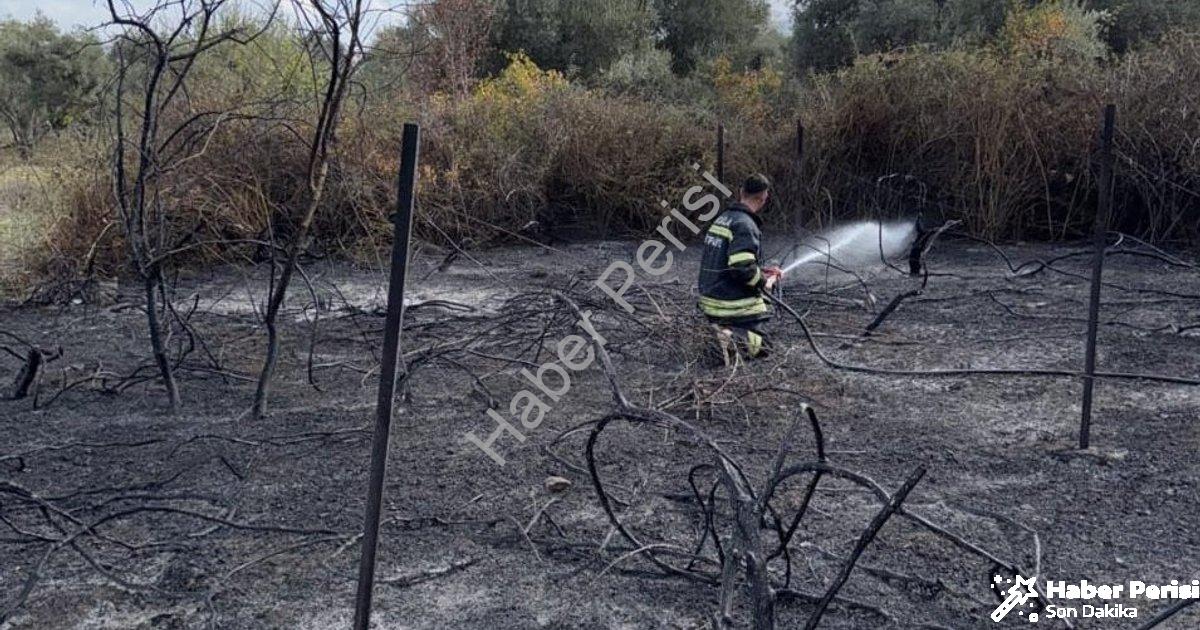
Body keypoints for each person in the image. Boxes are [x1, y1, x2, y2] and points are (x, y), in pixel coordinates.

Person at [697, 174, 783, 363]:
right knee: (764, 347)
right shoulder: (745, 225)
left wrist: (762, 270)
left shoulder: (723, 219)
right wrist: (764, 283)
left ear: (741, 192)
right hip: (731, 304)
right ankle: (729, 338)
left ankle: (720, 333)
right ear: (763, 198)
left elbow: (729, 261)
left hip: (711, 301)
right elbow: (741, 268)